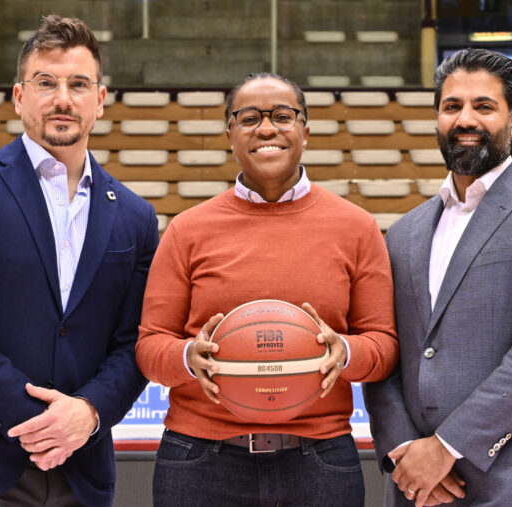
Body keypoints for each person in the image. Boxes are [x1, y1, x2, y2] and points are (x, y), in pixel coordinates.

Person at [0, 15, 158, 506]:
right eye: (46, 82)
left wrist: (86, 414)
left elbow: (136, 342)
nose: (63, 98)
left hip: (81, 472)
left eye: (78, 84)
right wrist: (39, 425)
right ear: (20, 97)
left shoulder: (134, 215)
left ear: (100, 100)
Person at [136, 72, 399, 506]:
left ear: (305, 131)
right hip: (201, 459)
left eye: (282, 115)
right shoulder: (187, 230)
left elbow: (384, 346)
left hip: (320, 460)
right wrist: (188, 356)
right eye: (249, 118)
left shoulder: (357, 227)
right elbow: (150, 348)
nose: (266, 128)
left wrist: (345, 352)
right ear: (230, 135)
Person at [363, 48, 512, 506]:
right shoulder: (404, 231)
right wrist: (404, 451)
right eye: (452, 107)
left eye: (483, 106)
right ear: (437, 120)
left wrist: (447, 447)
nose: (464, 119)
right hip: (419, 484)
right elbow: (385, 349)